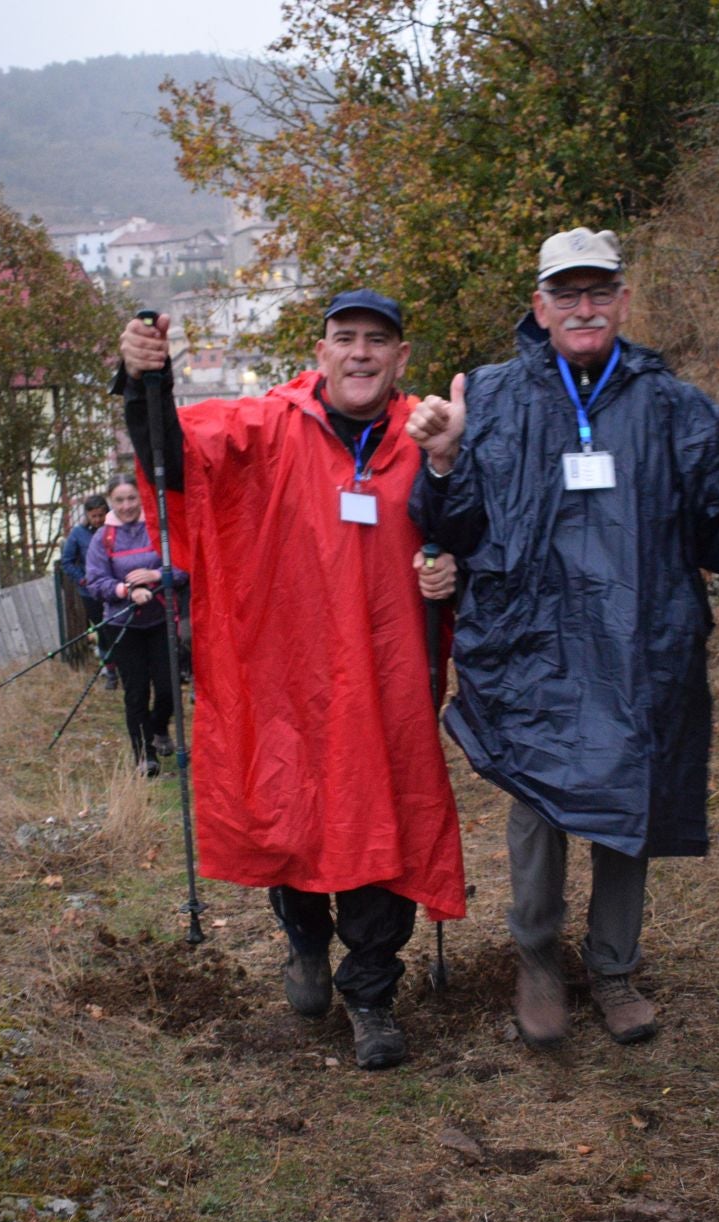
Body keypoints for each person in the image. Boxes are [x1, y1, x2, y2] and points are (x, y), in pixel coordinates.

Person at [406, 228, 719, 1048]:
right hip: (530, 647)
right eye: (566, 293)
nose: (584, 306)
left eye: (599, 290)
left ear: (624, 301)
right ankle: (537, 959)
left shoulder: (674, 405)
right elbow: (448, 528)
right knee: (537, 807)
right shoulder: (490, 399)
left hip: (640, 644)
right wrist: (448, 459)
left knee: (623, 806)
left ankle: (613, 967)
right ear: (540, 306)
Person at [115, 290, 465, 1069]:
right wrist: (147, 381)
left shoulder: (423, 438)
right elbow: (172, 460)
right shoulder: (266, 424)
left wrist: (455, 566)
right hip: (289, 680)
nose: (362, 353)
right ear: (322, 351)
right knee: (297, 819)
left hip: (389, 683)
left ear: (401, 358)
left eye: (379, 341)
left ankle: (371, 995)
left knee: (389, 829)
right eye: (347, 338)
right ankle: (305, 941)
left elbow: (467, 528)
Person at [84, 476, 183, 777]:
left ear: (142, 499)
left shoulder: (159, 529)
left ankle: (158, 729)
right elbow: (96, 582)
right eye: (120, 500)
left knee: (168, 688)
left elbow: (182, 569)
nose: (127, 506)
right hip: (123, 623)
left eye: (132, 499)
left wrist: (155, 577)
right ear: (110, 503)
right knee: (137, 691)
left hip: (160, 619)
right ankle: (145, 756)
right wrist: (126, 591)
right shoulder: (103, 538)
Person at [57, 493, 119, 688]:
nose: (98, 520)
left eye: (102, 515)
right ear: (87, 516)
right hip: (91, 593)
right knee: (103, 631)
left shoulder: (117, 529)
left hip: (117, 589)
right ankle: (110, 672)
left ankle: (128, 668)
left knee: (120, 628)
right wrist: (82, 579)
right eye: (94, 516)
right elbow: (67, 562)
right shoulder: (78, 534)